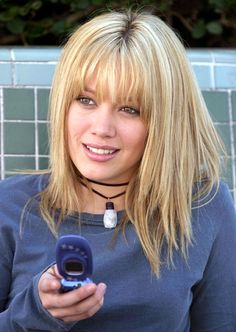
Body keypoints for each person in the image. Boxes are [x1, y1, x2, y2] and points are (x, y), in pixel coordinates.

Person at [0, 9, 236, 332]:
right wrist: (37, 313)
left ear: (165, 121)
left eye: (129, 109)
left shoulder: (205, 207)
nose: (102, 128)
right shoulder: (10, 205)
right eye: (86, 100)